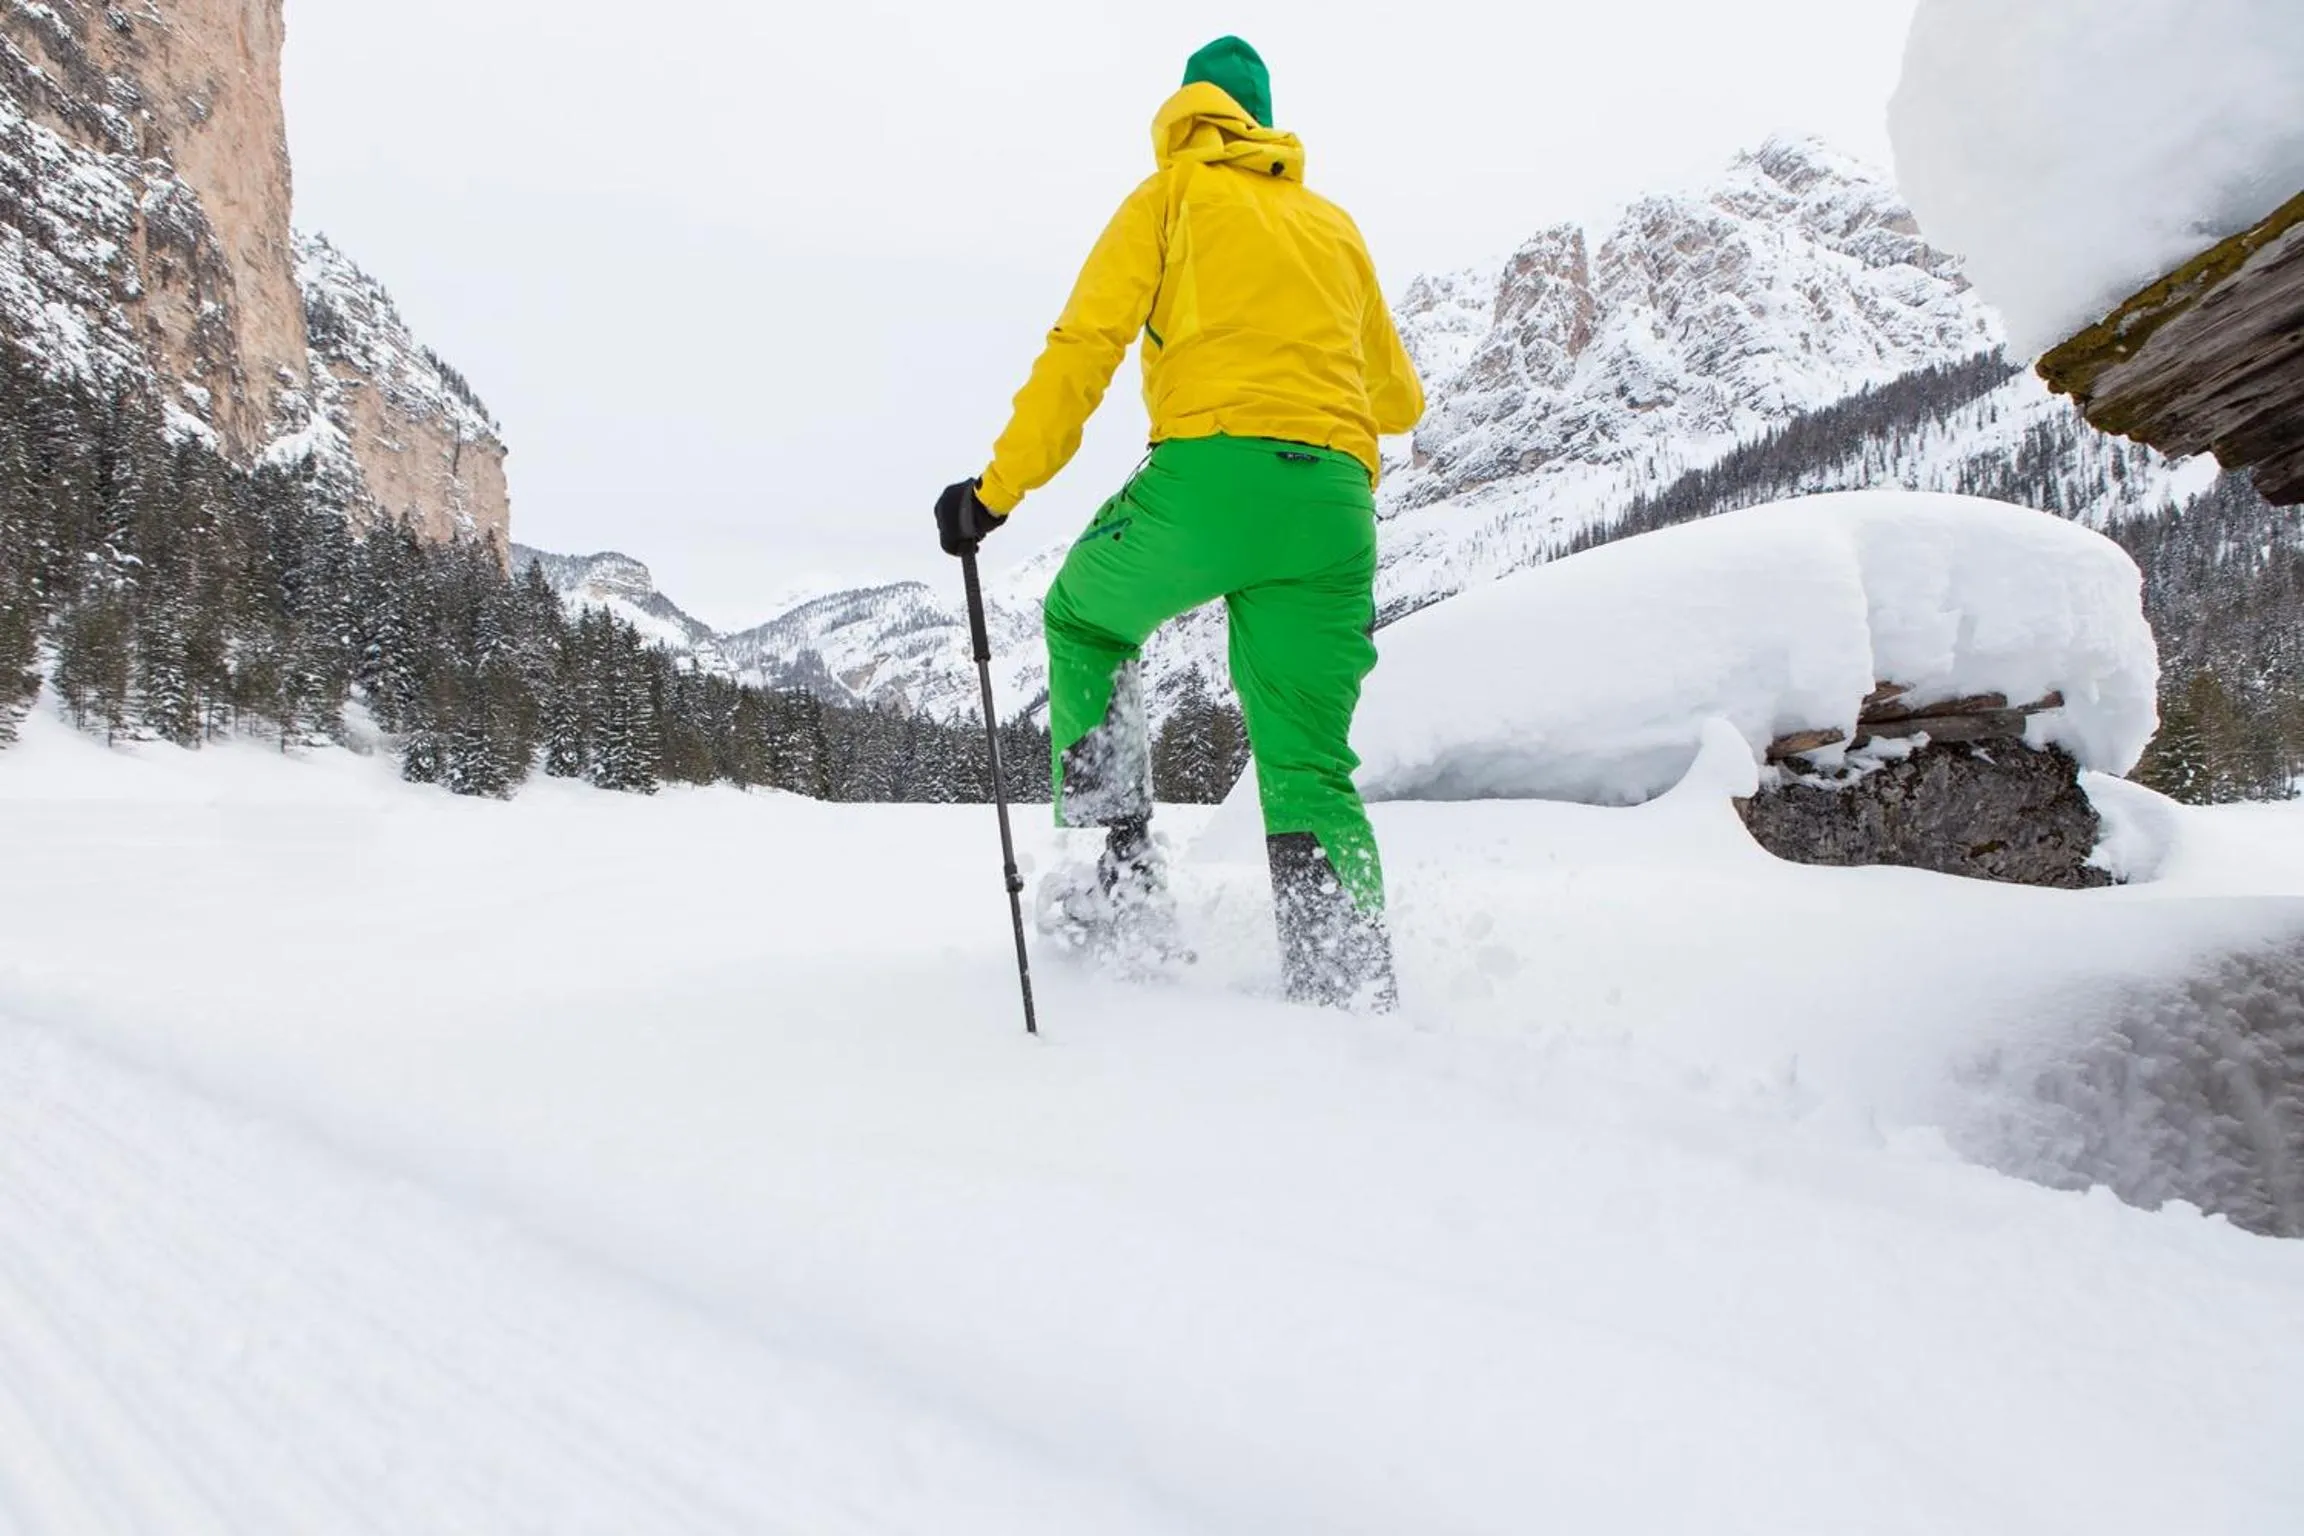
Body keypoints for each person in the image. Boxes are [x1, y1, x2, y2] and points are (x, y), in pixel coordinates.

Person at [933, 35, 1424, 1010]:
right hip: (1333, 503)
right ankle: (1347, 994)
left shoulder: (1167, 198)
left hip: (1209, 479)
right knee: (1308, 766)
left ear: (1185, 114)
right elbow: (1400, 400)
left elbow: (1085, 351)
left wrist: (994, 493)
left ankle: (1125, 877)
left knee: (1084, 614)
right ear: (1264, 119)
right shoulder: (1334, 228)